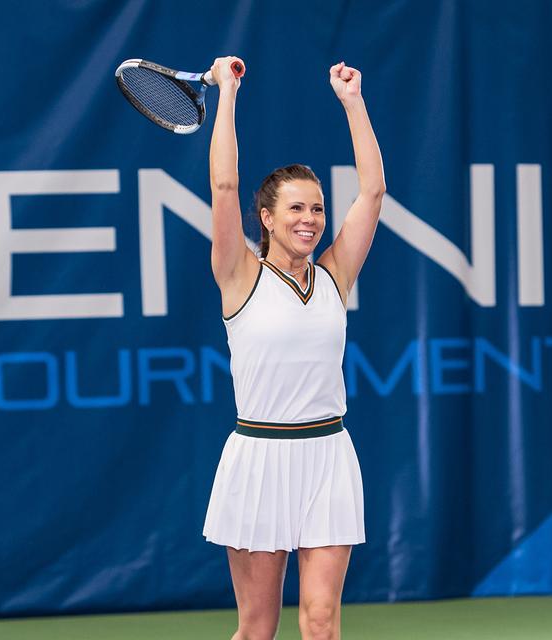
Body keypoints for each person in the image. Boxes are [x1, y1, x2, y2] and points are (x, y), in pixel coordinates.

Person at [202, 55, 385, 640]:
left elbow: (374, 192)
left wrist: (353, 102)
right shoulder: (238, 274)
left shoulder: (335, 275)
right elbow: (224, 183)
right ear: (267, 217)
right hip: (259, 457)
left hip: (328, 456)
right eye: (297, 208)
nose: (311, 219)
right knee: (257, 628)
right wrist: (225, 92)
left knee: (322, 622)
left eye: (318, 208)